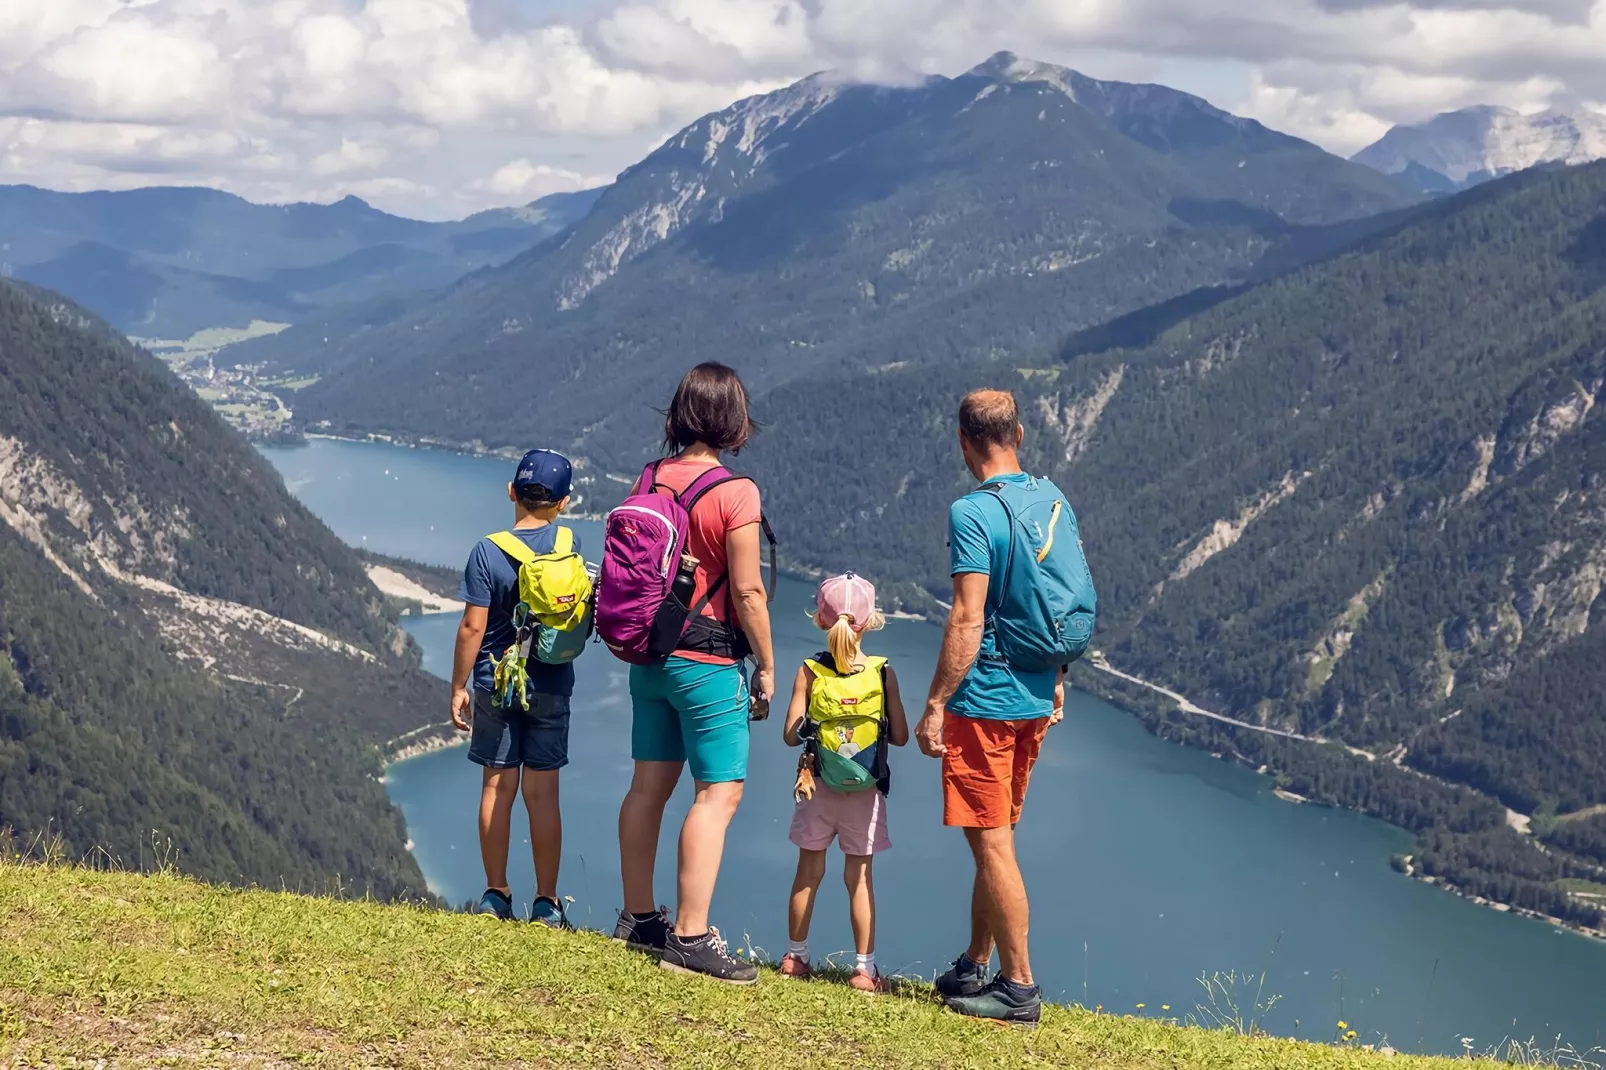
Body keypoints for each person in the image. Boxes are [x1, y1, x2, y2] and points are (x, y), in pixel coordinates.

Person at [611, 363, 775, 984]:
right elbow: (749, 590)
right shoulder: (735, 492)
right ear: (734, 421)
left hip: (649, 659)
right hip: (706, 663)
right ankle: (691, 934)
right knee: (718, 793)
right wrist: (766, 662)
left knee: (646, 787)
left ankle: (638, 916)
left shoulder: (649, 478)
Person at [917, 390, 1070, 1025]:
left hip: (986, 701)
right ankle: (976, 962)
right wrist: (1057, 675)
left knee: (993, 845)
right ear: (1021, 433)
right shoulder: (1051, 498)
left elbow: (967, 617)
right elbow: (1058, 596)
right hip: (1035, 691)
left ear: (962, 441)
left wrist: (934, 703)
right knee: (997, 839)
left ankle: (1020, 988)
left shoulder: (973, 513)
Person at [450, 448, 579, 928]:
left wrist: (458, 686)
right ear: (563, 502)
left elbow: (471, 626)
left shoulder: (487, 550)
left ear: (511, 492)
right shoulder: (570, 540)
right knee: (544, 796)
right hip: (552, 681)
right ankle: (547, 902)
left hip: (496, 681)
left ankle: (496, 894)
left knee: (497, 788)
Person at [778, 573, 909, 994]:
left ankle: (795, 958)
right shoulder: (882, 672)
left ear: (820, 619)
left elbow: (789, 733)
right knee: (860, 879)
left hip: (816, 787)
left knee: (807, 872)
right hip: (865, 792)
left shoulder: (810, 671)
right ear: (870, 623)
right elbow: (902, 736)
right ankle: (863, 971)